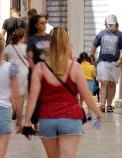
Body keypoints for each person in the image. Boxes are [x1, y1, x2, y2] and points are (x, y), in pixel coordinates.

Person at [23, 27, 104, 158]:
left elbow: (32, 97)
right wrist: (98, 113)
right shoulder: (75, 67)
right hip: (70, 119)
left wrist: (27, 122)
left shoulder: (40, 68)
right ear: (67, 44)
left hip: (47, 119)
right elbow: (86, 95)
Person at [90, 14, 122, 113]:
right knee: (103, 82)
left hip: (115, 62)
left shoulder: (120, 35)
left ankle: (109, 105)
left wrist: (120, 60)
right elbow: (94, 45)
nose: (110, 26)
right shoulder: (101, 33)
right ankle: (102, 104)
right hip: (102, 61)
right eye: (109, 25)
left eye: (112, 25)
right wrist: (91, 56)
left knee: (112, 83)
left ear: (116, 23)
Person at [4, 28, 29, 117]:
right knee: (21, 95)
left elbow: (4, 62)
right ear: (23, 37)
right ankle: (19, 111)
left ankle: (14, 107)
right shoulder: (27, 47)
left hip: (12, 72)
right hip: (25, 73)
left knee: (10, 92)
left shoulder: (8, 48)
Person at [77, 52, 95, 120]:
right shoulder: (91, 66)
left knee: (81, 100)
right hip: (89, 83)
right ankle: (89, 114)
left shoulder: (78, 65)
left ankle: (80, 114)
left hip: (81, 83)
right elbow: (94, 76)